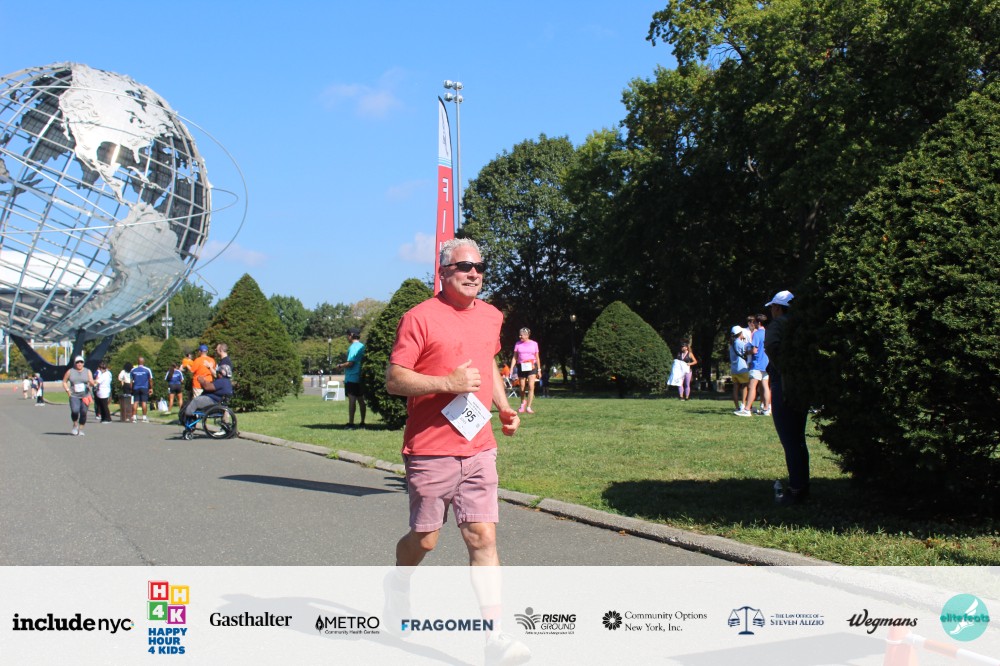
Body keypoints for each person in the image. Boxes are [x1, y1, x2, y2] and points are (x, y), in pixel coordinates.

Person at [384, 238, 528, 665]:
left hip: (479, 446)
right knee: (426, 540)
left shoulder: (491, 316)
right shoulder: (419, 318)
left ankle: (494, 639)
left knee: (482, 537)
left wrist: (504, 407)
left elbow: (488, 365)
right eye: (465, 266)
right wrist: (446, 383)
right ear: (444, 272)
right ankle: (397, 584)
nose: (474, 273)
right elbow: (394, 379)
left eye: (480, 267)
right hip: (430, 449)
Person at [765, 290, 810, 505]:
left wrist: (783, 368)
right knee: (798, 439)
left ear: (777, 307)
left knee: (789, 439)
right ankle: (801, 485)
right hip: (801, 385)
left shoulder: (778, 324)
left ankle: (796, 489)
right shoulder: (803, 324)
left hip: (783, 384)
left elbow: (771, 346)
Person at [336, 329, 366, 428]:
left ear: (351, 335)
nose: (347, 337)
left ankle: (351, 423)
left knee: (352, 400)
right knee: (361, 400)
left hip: (352, 377)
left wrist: (340, 366)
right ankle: (362, 422)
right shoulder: (362, 346)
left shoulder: (353, 347)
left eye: (347, 335)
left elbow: (350, 363)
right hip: (360, 377)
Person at [510, 327, 541, 414]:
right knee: (522, 387)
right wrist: (511, 368)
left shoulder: (534, 344)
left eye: (522, 335)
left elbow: (537, 357)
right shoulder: (518, 344)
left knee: (531, 386)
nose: (520, 336)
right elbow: (515, 357)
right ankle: (523, 402)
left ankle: (529, 407)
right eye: (519, 335)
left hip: (532, 366)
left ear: (527, 335)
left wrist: (539, 369)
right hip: (521, 366)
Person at [62, 356, 95, 437]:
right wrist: (68, 391)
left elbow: (92, 382)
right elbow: (64, 381)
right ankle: (75, 424)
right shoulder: (70, 371)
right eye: (77, 362)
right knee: (75, 411)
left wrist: (91, 383)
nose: (79, 364)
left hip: (85, 395)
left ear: (83, 363)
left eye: (81, 362)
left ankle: (81, 429)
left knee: (83, 412)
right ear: (75, 363)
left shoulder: (87, 371)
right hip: (74, 395)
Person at [746, 314, 772, 416]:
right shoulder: (768, 333)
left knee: (752, 386)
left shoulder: (757, 334)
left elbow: (754, 350)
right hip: (766, 363)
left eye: (755, 322)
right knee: (765, 386)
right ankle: (766, 408)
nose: (754, 324)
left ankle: (747, 409)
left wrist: (747, 352)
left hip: (757, 363)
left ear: (759, 323)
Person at [730, 325, 752, 416]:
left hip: (734, 369)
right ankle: (743, 404)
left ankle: (736, 407)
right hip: (742, 367)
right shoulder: (740, 343)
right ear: (740, 333)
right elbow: (747, 350)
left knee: (735, 387)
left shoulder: (731, 344)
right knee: (745, 386)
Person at [129, 357, 154, 422]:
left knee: (135, 402)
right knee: (144, 402)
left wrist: (131, 389)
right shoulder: (147, 370)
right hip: (144, 387)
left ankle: (134, 417)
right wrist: (151, 388)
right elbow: (150, 380)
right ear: (143, 362)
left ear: (138, 362)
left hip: (136, 387)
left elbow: (131, 381)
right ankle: (144, 417)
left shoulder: (133, 370)